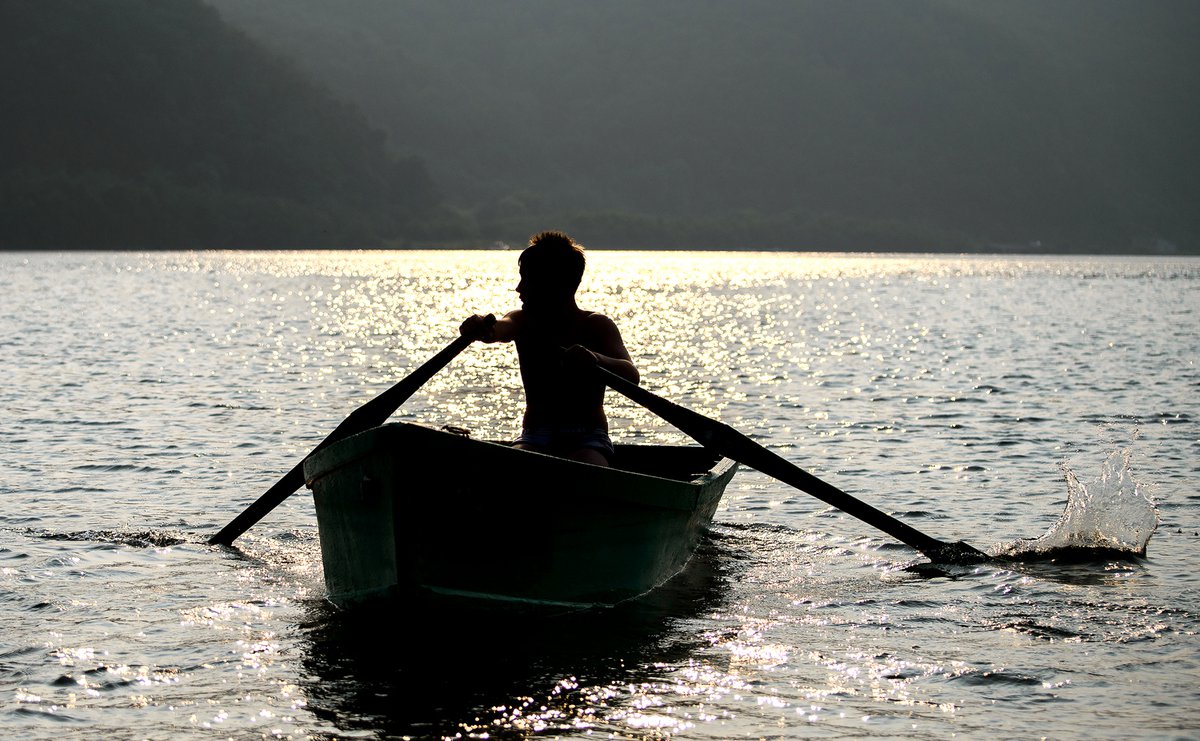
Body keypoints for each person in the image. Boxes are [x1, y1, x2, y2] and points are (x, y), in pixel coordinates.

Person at [460, 231, 639, 466]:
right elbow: (499, 328)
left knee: (587, 468)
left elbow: (631, 375)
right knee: (517, 464)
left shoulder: (597, 325)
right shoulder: (522, 321)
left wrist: (595, 359)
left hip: (588, 438)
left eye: (527, 279)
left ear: (553, 284)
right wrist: (482, 326)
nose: (518, 288)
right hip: (535, 436)